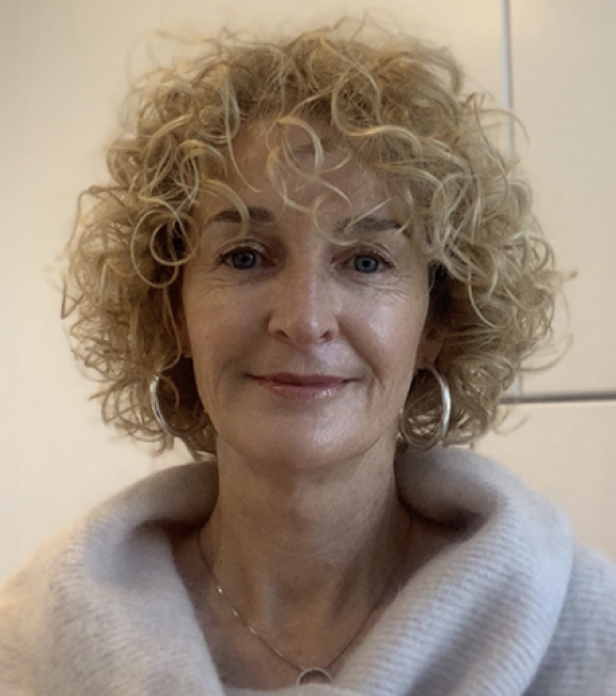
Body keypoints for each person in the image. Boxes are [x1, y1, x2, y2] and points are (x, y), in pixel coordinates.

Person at [1, 20, 615, 696]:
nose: (304, 319)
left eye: (365, 261)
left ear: (437, 320)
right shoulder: (29, 649)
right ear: (171, 308)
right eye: (245, 257)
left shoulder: (589, 633)